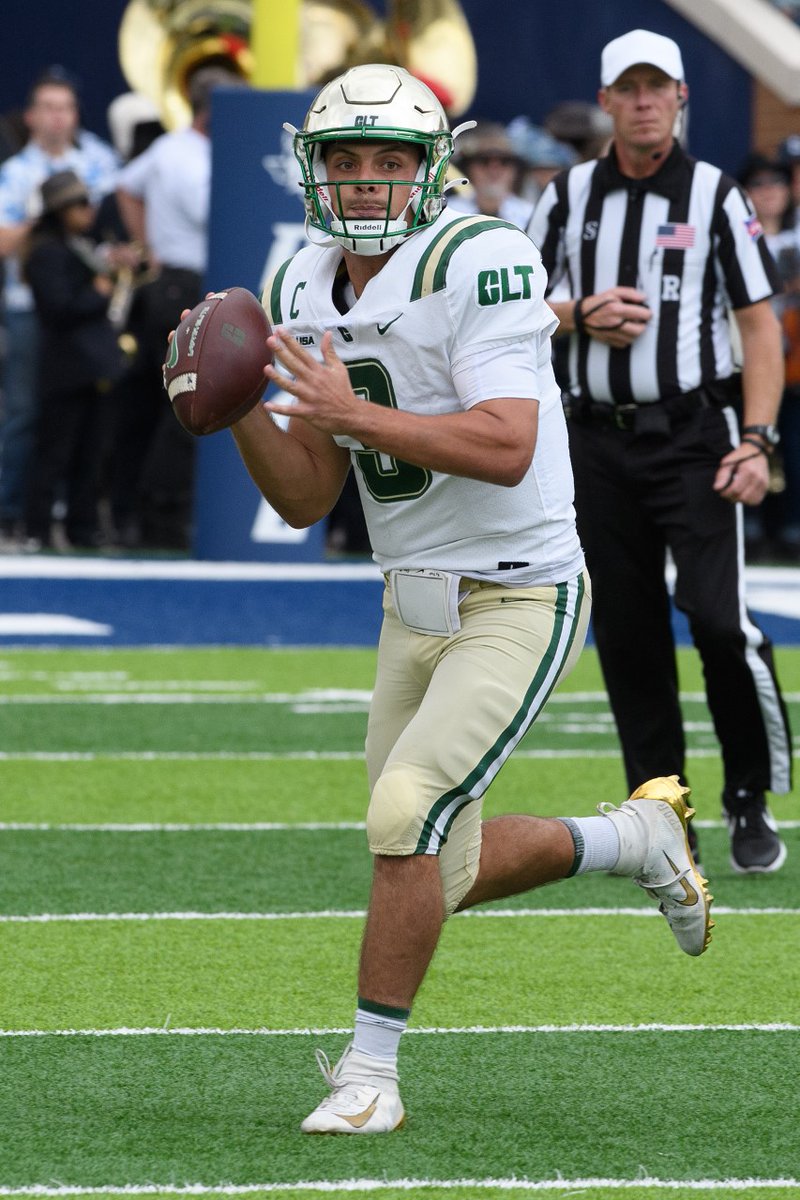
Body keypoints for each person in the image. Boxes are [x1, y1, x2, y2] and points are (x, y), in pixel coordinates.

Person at [218, 63, 712, 1134]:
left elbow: (506, 442)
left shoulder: (479, 256)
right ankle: (633, 839)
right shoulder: (303, 281)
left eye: (387, 160)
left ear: (429, 169)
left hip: (520, 596)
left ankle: (368, 1072)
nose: (362, 182)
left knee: (404, 818)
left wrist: (354, 411)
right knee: (434, 866)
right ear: (311, 167)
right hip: (411, 603)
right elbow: (307, 495)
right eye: (344, 160)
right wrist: (226, 412)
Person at [528, 29, 792, 877]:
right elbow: (515, 309)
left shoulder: (716, 194)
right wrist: (579, 315)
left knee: (720, 623)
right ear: (605, 101)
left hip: (692, 436)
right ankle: (661, 810)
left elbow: (758, 327)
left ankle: (747, 793)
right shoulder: (565, 196)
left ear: (683, 97)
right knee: (629, 633)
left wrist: (757, 439)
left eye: (659, 87)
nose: (644, 101)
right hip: (595, 439)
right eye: (628, 89)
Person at [114, 65, 245, 550]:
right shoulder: (193, 160)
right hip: (184, 285)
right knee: (186, 407)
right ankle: (160, 516)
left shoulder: (169, 149)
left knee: (161, 406)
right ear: (213, 111)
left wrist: (147, 244)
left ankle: (144, 512)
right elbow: (220, 216)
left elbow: (126, 186)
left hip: (172, 282)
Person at [0, 67, 119, 549]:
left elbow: (109, 227)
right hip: (30, 304)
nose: (56, 117)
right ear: (30, 116)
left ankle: (79, 516)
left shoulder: (101, 158)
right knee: (27, 410)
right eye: (47, 107)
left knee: (91, 419)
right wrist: (55, 220)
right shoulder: (14, 172)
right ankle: (12, 511)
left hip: (92, 306)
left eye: (65, 107)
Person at [20, 170, 126, 549]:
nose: (89, 210)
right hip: (66, 369)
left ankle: (82, 530)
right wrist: (99, 292)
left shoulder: (77, 246)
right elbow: (58, 308)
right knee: (54, 453)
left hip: (91, 366)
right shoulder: (47, 252)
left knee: (90, 454)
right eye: (80, 204)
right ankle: (38, 529)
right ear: (60, 209)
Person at [737, 153, 800, 561]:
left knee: (794, 448)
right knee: (748, 438)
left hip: (796, 365)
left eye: (777, 185)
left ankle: (792, 526)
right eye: (759, 186)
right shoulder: (739, 238)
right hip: (747, 360)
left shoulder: (796, 240)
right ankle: (750, 524)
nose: (769, 194)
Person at [447, 121, 533, 228]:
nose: (494, 170)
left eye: (504, 161)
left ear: (516, 170)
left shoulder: (531, 217)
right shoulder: (448, 213)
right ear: (468, 168)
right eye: (484, 161)